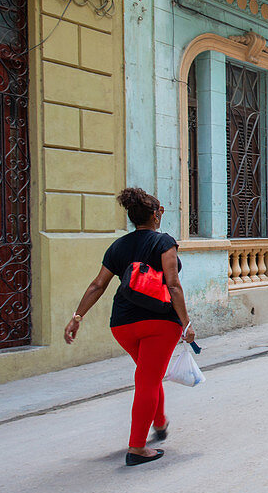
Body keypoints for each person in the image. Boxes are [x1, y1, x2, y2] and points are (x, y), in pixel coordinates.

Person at [64, 188, 196, 466]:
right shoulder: (164, 242)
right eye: (161, 211)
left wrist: (77, 317)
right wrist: (187, 323)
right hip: (159, 323)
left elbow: (98, 284)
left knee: (149, 375)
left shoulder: (118, 246)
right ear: (156, 214)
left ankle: (159, 422)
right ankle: (137, 448)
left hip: (123, 324)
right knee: (148, 379)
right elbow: (173, 285)